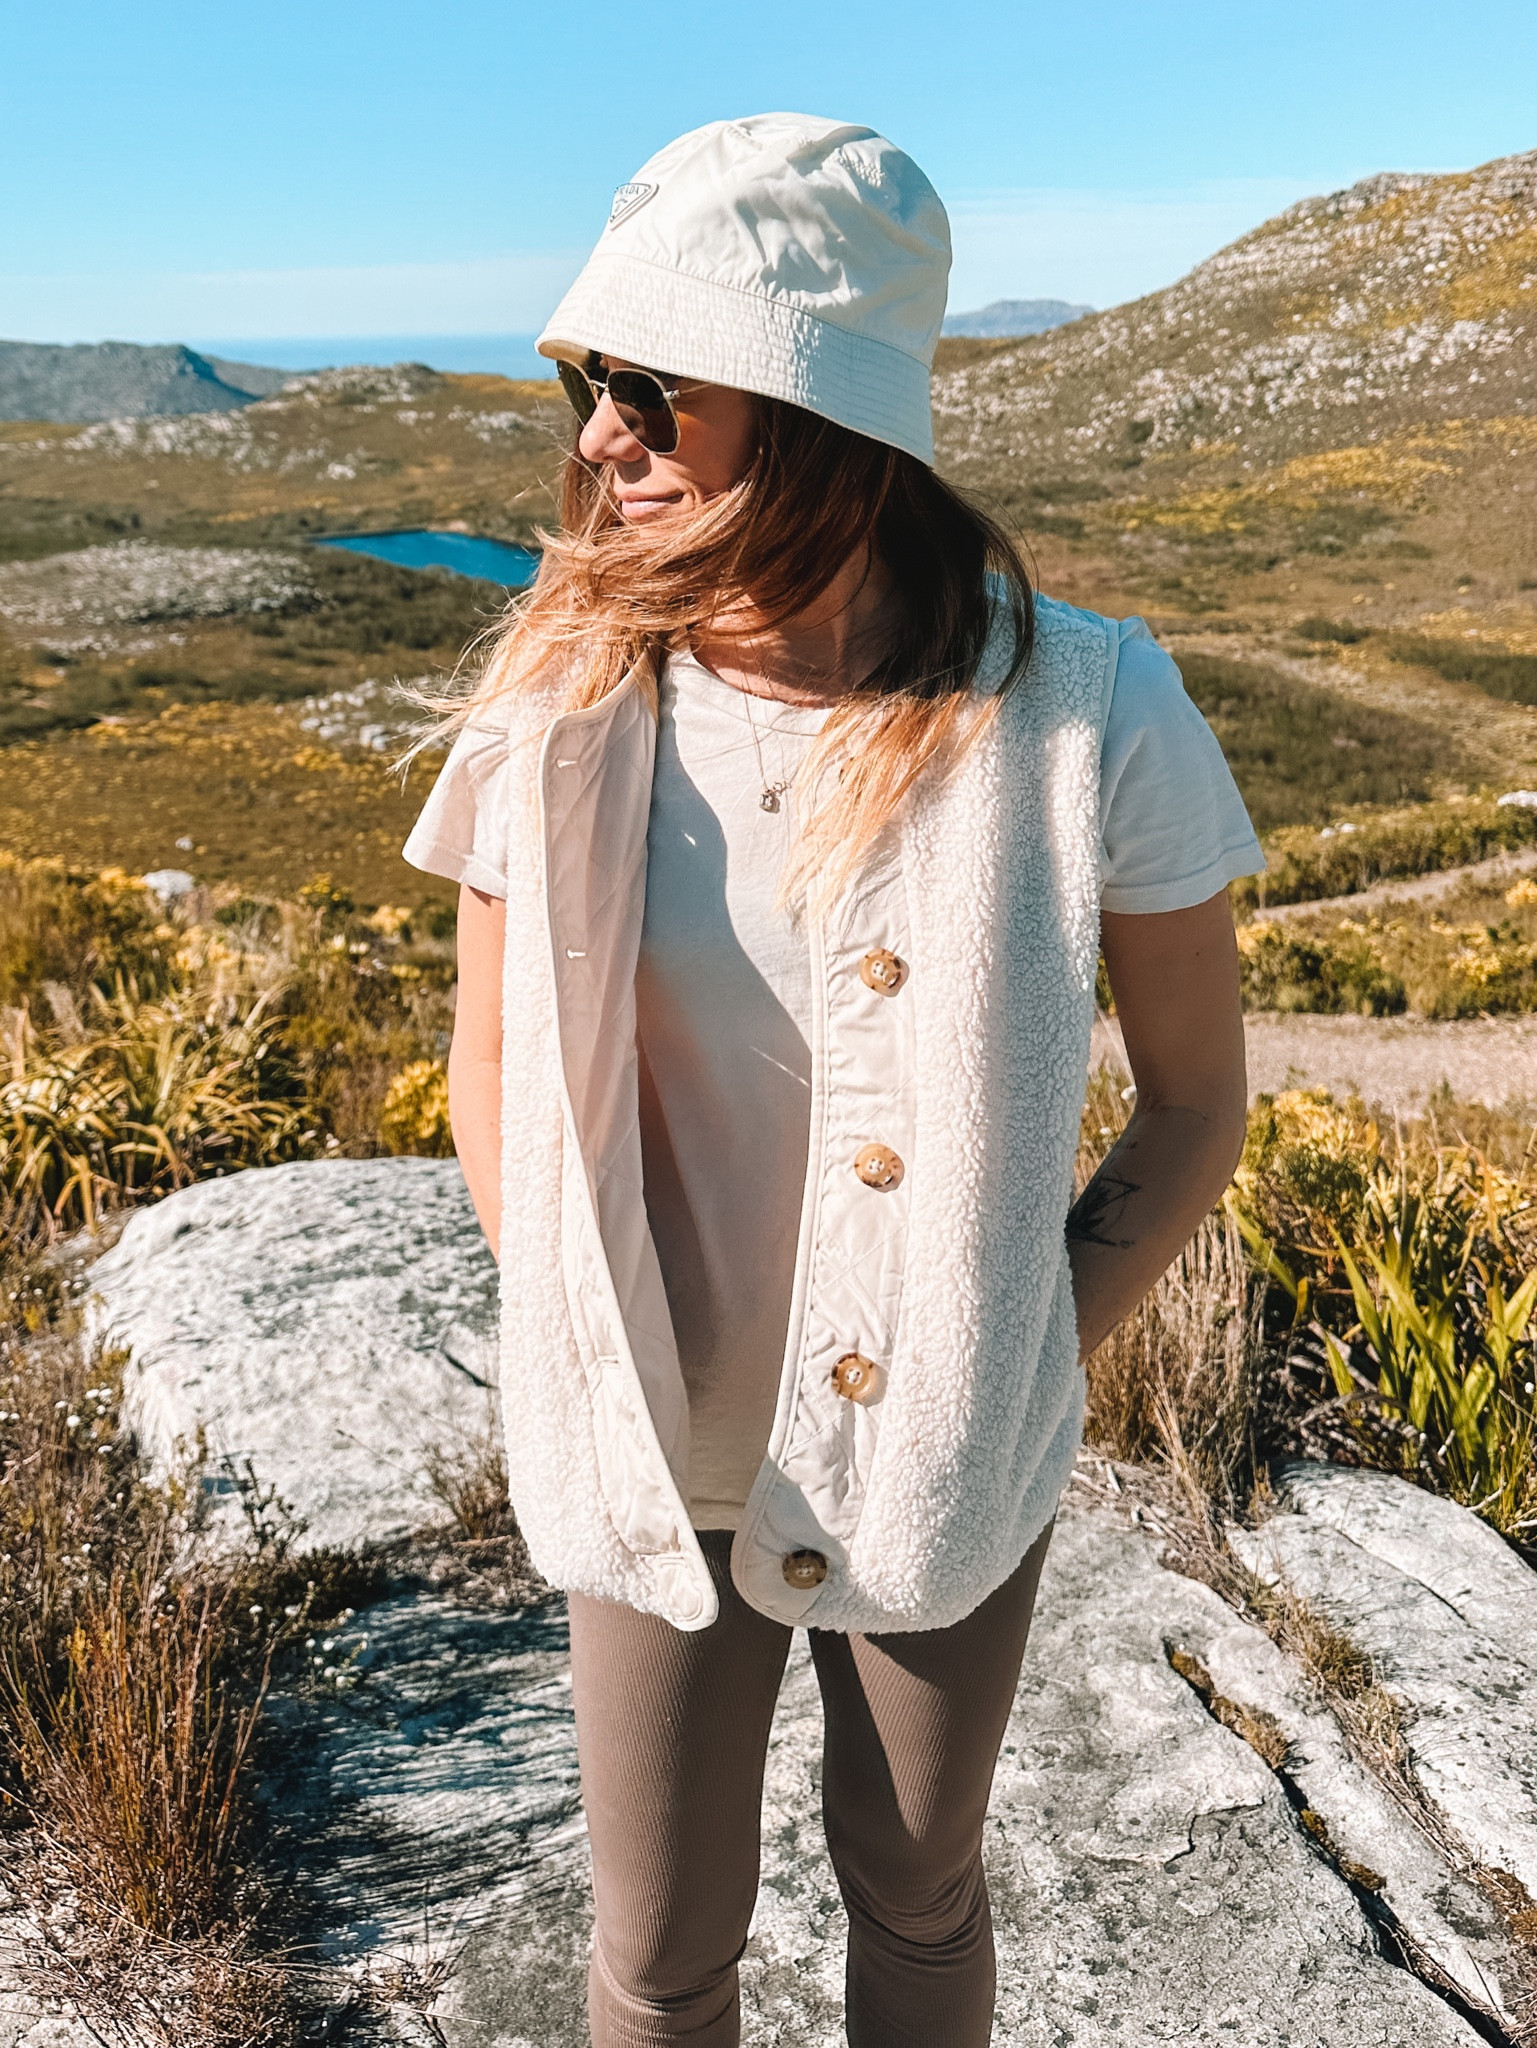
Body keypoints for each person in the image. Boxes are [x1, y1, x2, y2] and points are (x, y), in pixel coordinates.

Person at [404, 112, 1262, 2048]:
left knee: (917, 1880)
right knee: (656, 1948)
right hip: (644, 1431)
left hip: (952, 1435)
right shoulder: (556, 693)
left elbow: (1197, 1099)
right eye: (586, 384)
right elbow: (486, 1063)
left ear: (808, 415)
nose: (596, 437)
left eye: (651, 391)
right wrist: (574, 1317)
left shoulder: (1085, 707)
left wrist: (1021, 1344)